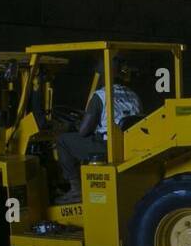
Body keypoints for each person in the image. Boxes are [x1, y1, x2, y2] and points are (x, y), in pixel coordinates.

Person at [56, 63, 142, 204]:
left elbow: (84, 131)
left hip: (107, 146)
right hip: (129, 145)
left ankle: (76, 190)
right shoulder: (133, 95)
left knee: (63, 141)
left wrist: (78, 124)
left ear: (103, 76)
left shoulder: (101, 96)